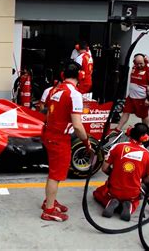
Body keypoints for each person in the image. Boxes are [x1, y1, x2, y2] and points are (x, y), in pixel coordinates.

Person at [41, 61, 91, 222]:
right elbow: (77, 125)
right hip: (59, 139)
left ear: (63, 75)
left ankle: (49, 201)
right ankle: (49, 210)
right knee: (55, 175)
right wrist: (86, 141)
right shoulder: (74, 94)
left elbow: (47, 114)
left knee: (53, 172)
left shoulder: (53, 89)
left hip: (49, 134)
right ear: (81, 76)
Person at [93, 123, 149, 221]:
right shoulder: (148, 154)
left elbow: (104, 168)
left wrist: (114, 174)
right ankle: (129, 205)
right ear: (145, 138)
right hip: (132, 193)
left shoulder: (117, 146)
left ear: (130, 132)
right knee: (135, 198)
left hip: (114, 190)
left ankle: (112, 201)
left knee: (98, 193)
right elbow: (148, 179)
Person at [114, 54, 149, 132]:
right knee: (125, 112)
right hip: (131, 96)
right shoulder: (134, 67)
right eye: (137, 63)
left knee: (143, 116)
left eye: (141, 63)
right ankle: (118, 129)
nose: (139, 65)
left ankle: (146, 131)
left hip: (142, 98)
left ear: (145, 61)